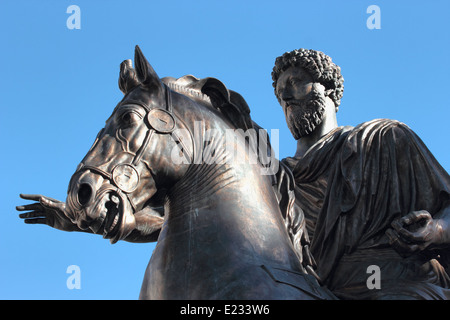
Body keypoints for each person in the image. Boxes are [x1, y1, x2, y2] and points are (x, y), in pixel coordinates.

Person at [272, 48, 450, 299]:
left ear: (329, 90)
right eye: (279, 94)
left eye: (295, 83)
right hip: (311, 290)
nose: (286, 97)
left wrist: (436, 230)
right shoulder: (276, 181)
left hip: (396, 285)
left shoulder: (384, 139)